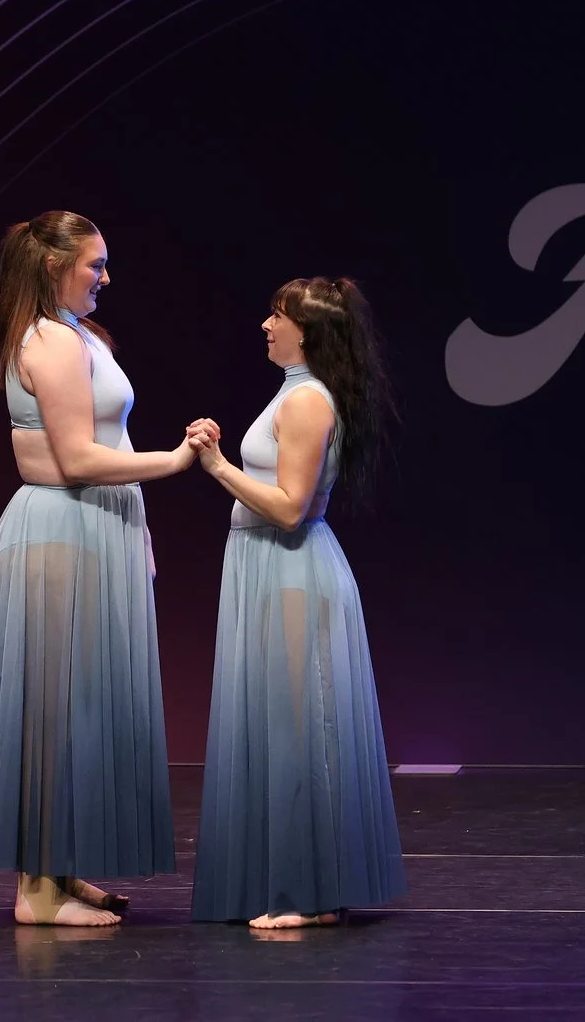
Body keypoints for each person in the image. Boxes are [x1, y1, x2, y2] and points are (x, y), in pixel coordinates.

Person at [0, 210, 197, 926]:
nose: (105, 276)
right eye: (94, 264)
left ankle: (60, 871)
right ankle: (38, 891)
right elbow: (76, 458)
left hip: (95, 528)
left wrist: (139, 531)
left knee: (79, 705)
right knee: (53, 707)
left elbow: (110, 437)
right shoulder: (49, 341)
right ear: (53, 266)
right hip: (61, 530)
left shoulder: (78, 335)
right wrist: (175, 461)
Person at [186, 276, 407, 929]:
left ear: (306, 332)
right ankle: (287, 883)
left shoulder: (308, 400)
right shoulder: (294, 391)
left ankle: (307, 894)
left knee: (297, 731)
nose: (265, 324)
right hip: (265, 568)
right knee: (278, 726)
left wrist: (218, 465)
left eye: (277, 315)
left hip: (288, 568)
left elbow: (288, 508)